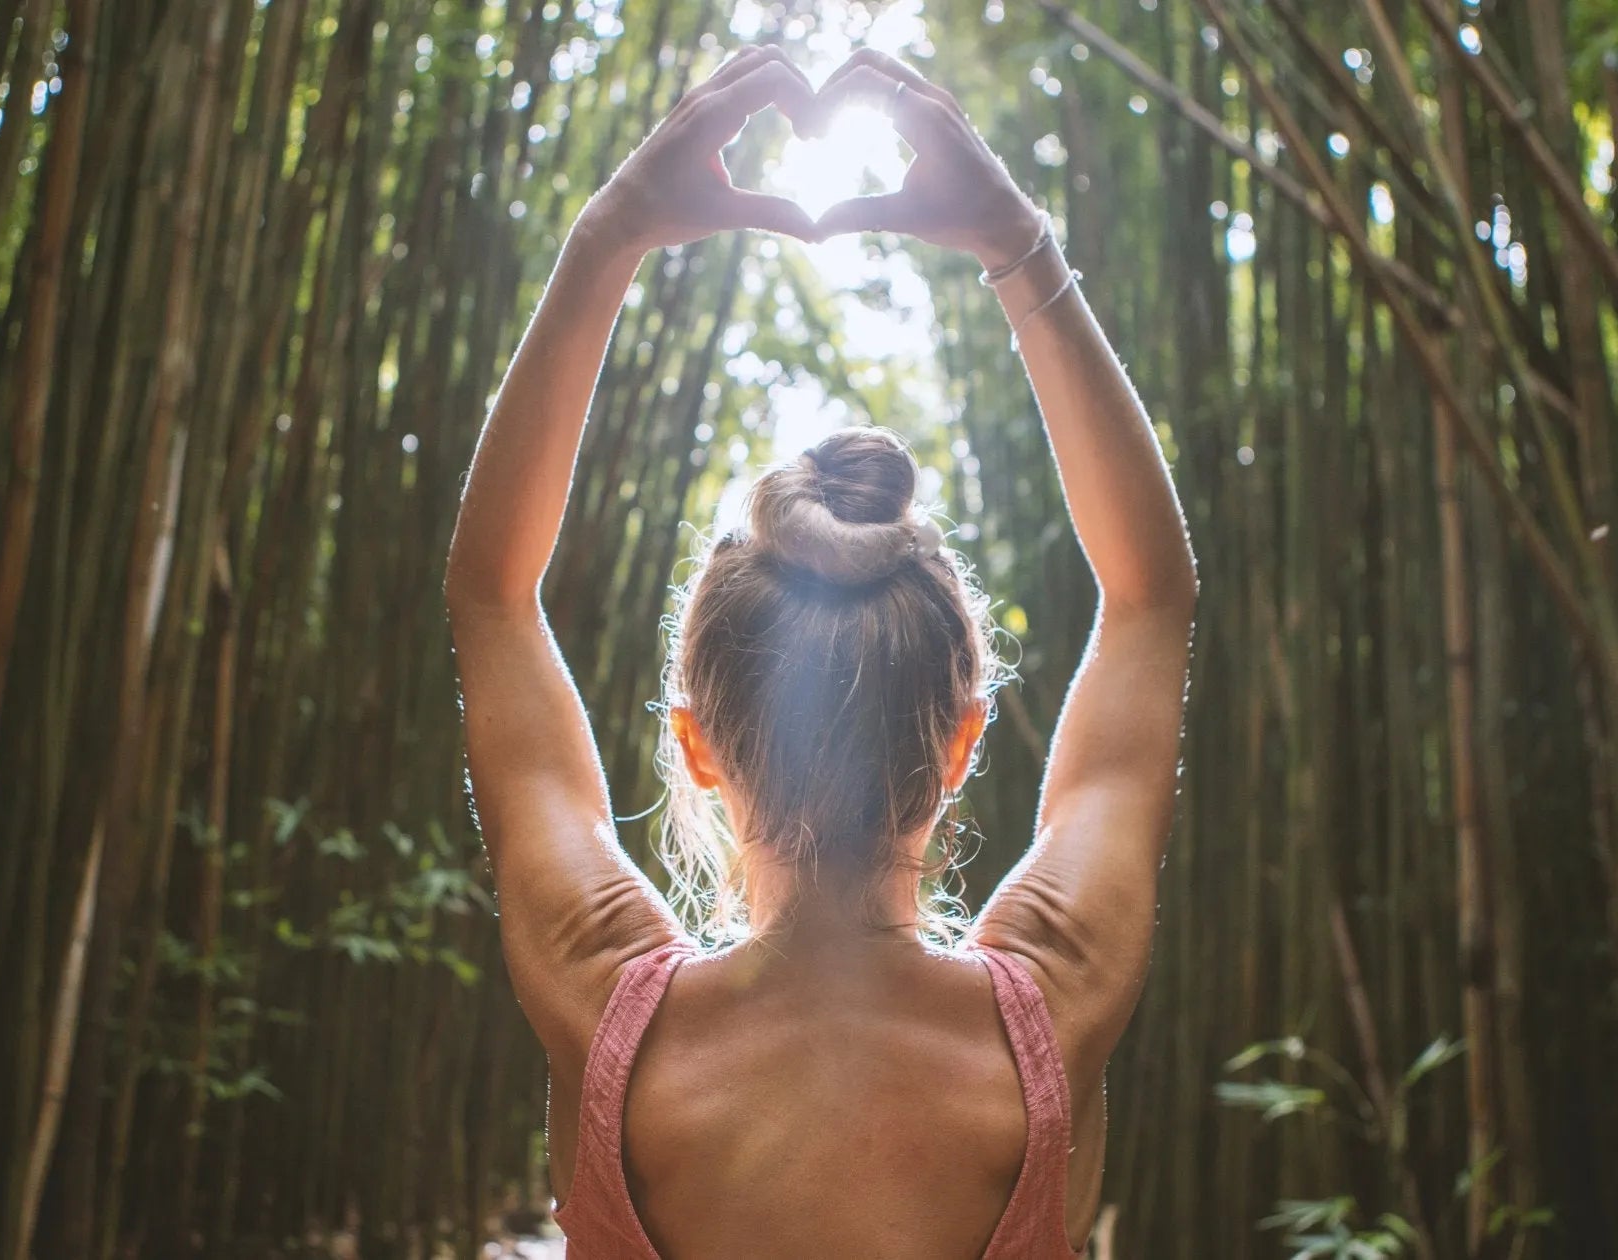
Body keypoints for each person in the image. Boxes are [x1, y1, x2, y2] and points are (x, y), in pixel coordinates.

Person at [446, 43, 1197, 1260]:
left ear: (693, 744)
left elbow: (490, 597)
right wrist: (1019, 249)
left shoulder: (612, 1020)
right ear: (961, 739)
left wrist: (607, 242)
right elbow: (1150, 598)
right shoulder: (1044, 1021)